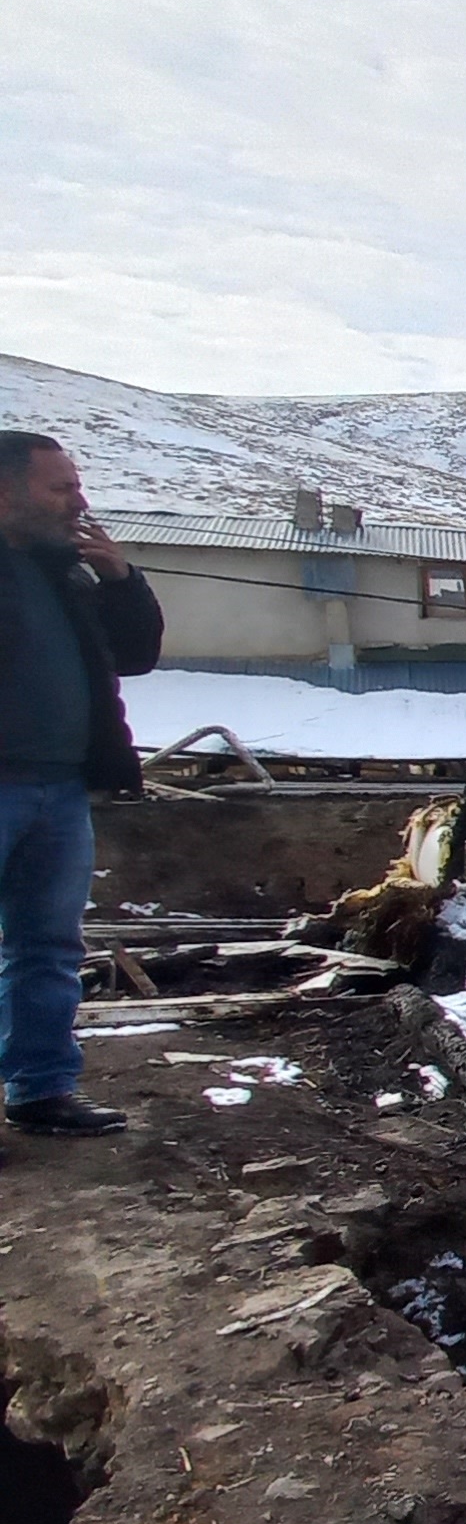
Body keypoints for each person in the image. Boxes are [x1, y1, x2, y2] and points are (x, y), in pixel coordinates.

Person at [0, 431, 162, 1148]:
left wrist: (123, 581)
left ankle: (41, 1089)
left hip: (60, 789)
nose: (79, 501)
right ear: (7, 492)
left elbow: (135, 655)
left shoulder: (63, 572)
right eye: (60, 487)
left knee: (48, 946)